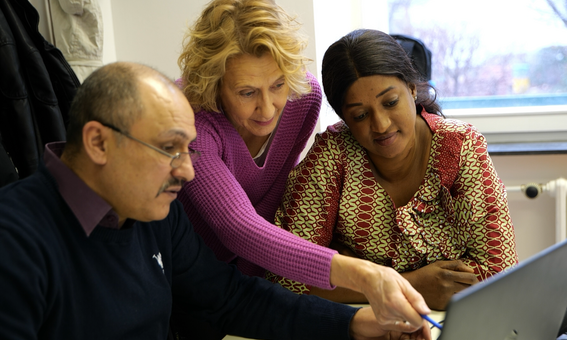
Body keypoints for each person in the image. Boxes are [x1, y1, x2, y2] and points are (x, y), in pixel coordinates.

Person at [0, 61, 432, 340]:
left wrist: (357, 325)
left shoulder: (152, 211)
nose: (187, 170)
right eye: (169, 148)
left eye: (189, 149)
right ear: (98, 143)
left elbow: (230, 299)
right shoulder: (15, 240)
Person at [176, 0, 431, 328]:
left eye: (277, 84)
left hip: (246, 290)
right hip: (186, 280)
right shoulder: (190, 118)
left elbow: (272, 201)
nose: (267, 108)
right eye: (246, 92)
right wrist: (364, 274)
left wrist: (262, 299)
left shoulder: (303, 98)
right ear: (214, 83)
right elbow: (236, 225)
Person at [267, 29, 519, 311]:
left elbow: (500, 273)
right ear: (344, 118)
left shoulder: (461, 147)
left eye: (390, 102)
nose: (382, 125)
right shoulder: (331, 156)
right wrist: (412, 284)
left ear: (412, 89)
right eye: (360, 115)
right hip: (365, 324)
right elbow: (288, 276)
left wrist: (350, 273)